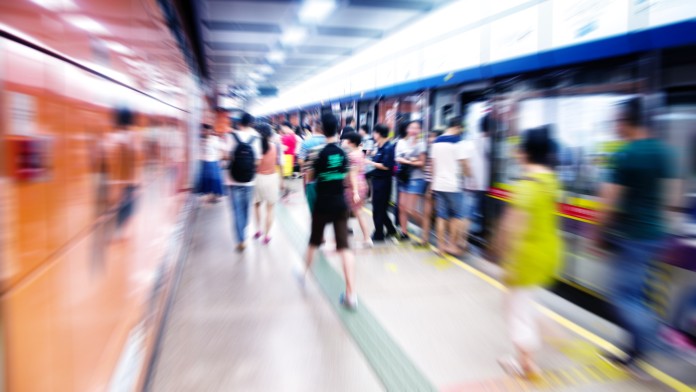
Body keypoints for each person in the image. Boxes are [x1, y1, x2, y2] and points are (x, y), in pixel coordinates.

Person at [595, 97, 678, 378]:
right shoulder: (665, 152)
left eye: (617, 120)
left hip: (631, 237)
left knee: (622, 298)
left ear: (626, 121)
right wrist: (660, 226)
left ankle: (661, 341)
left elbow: (608, 201)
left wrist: (596, 233)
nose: (614, 126)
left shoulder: (625, 154)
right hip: (655, 236)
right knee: (638, 296)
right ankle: (632, 356)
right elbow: (672, 198)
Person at [493, 126, 562, 381]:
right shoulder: (551, 179)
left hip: (526, 256)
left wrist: (505, 257)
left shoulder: (527, 184)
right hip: (548, 252)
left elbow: (513, 226)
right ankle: (545, 331)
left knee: (515, 310)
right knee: (525, 301)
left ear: (524, 153)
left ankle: (527, 364)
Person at [302, 113, 358, 310]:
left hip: (322, 204)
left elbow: (309, 177)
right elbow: (348, 176)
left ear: (322, 129)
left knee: (314, 241)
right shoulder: (345, 152)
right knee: (344, 247)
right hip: (340, 203)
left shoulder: (316, 152)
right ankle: (351, 294)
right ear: (338, 129)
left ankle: (304, 275)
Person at [429, 116, 472, 257]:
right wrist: (469, 175)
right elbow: (464, 163)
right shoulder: (458, 142)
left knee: (441, 216)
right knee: (456, 216)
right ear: (458, 127)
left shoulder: (437, 141)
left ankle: (440, 247)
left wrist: (432, 184)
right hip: (453, 185)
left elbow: (433, 165)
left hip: (439, 184)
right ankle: (451, 246)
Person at [225, 112, 262, 252]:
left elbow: (228, 157)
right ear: (251, 124)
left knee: (236, 211)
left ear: (239, 123)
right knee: (246, 209)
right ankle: (243, 234)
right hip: (249, 180)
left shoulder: (231, 136)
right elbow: (257, 161)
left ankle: (240, 239)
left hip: (233, 179)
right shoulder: (256, 138)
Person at [395, 121, 427, 242]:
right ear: (407, 129)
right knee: (402, 207)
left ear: (420, 131)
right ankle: (404, 232)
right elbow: (397, 158)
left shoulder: (421, 144)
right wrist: (410, 160)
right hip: (404, 177)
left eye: (417, 128)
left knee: (410, 209)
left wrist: (408, 161)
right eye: (411, 127)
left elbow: (422, 162)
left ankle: (426, 230)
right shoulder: (403, 142)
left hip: (416, 178)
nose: (414, 130)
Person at [367, 124, 398, 243]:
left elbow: (386, 166)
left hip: (384, 182)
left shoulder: (388, 148)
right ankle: (390, 230)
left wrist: (369, 162)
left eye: (374, 133)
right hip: (378, 181)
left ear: (379, 134)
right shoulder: (381, 147)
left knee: (378, 209)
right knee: (380, 209)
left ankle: (379, 234)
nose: (373, 135)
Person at [252, 123, 281, 244]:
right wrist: (282, 180)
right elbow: (280, 163)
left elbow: (254, 164)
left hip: (257, 178)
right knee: (270, 209)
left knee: (257, 206)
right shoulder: (276, 147)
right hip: (272, 178)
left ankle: (258, 230)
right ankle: (267, 235)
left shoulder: (255, 147)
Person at [342, 132, 371, 247]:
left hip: (354, 187)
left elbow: (353, 174)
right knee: (356, 212)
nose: (343, 142)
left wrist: (355, 192)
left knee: (358, 213)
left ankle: (367, 238)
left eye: (345, 140)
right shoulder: (360, 153)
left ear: (351, 142)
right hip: (362, 183)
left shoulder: (352, 156)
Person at [298, 119, 328, 212]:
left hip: (311, 177)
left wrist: (306, 167)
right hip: (327, 175)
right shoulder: (328, 141)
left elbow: (300, 160)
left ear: (313, 128)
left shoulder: (306, 142)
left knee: (312, 199)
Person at [420, 129, 444, 246]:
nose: (430, 139)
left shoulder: (436, 151)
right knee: (427, 213)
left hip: (435, 185)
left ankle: (437, 241)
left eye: (433, 137)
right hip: (430, 183)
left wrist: (430, 188)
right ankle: (425, 238)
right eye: (429, 137)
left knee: (437, 214)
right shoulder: (430, 151)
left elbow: (434, 171)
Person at [194, 124, 225, 203]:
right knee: (206, 180)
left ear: (210, 131)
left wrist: (220, 160)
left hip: (213, 162)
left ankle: (214, 196)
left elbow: (221, 150)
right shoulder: (201, 140)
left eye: (206, 130)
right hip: (204, 162)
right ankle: (208, 196)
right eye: (203, 130)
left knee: (214, 180)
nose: (204, 132)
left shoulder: (215, 140)